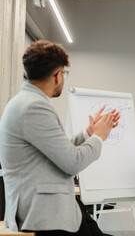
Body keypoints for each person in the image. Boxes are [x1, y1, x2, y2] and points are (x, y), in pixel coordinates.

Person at [0, 39, 120, 236]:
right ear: (57, 76)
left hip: (47, 209)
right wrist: (98, 137)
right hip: (43, 215)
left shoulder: (27, 102)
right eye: (64, 73)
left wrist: (88, 133)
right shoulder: (34, 107)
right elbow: (72, 161)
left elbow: (59, 150)